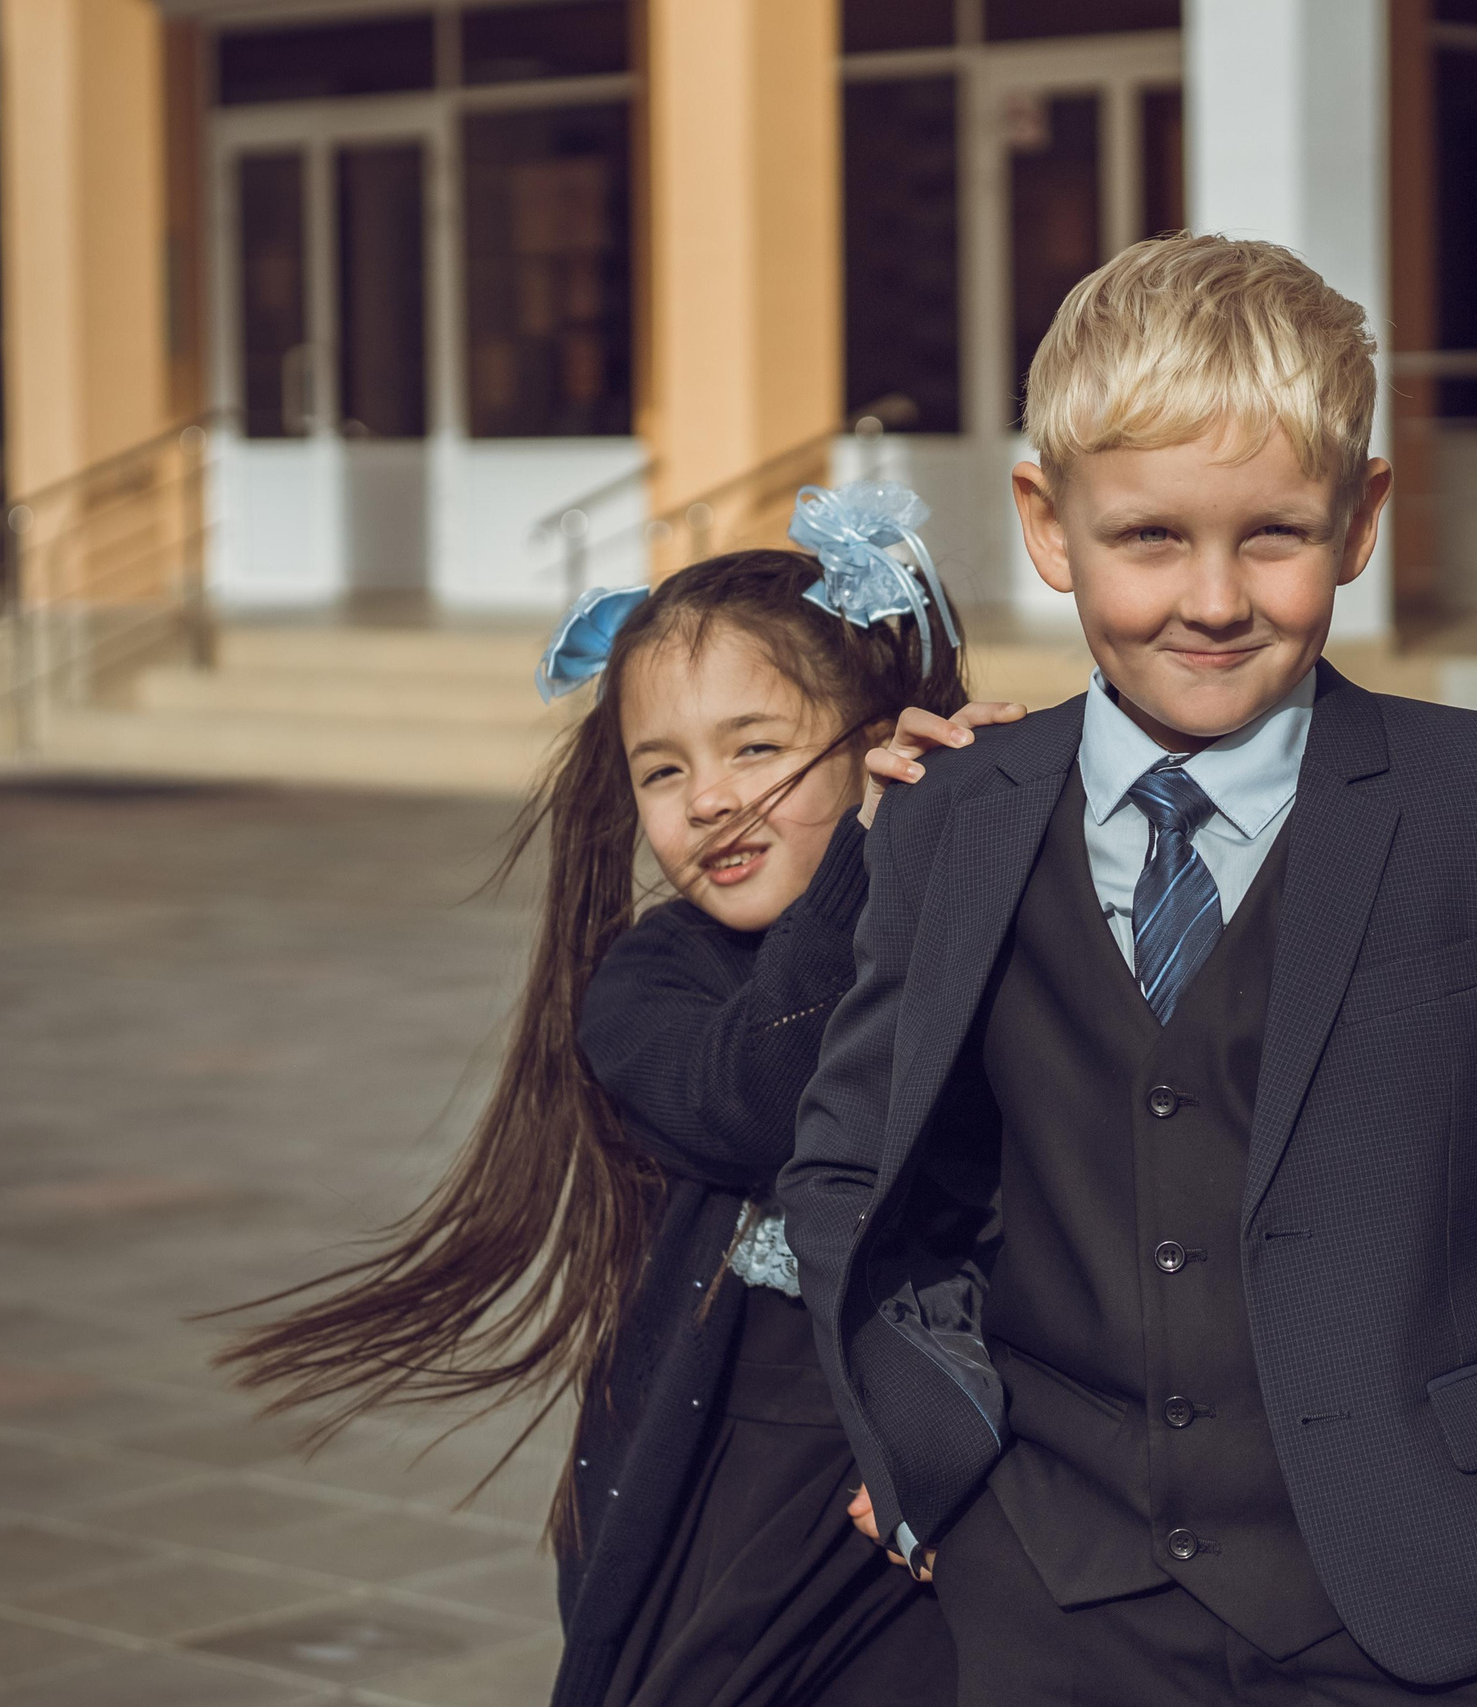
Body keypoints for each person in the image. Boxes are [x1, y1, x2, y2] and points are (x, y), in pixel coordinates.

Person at [779, 236, 1477, 1706]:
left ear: (1361, 519)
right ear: (1048, 526)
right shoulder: (955, 814)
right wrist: (925, 1443)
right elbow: (854, 1170)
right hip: (1049, 1600)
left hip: (1420, 1610)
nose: (1212, 598)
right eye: (1149, 536)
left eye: (1274, 534)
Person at [218, 487, 1020, 1707]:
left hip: (945, 1489)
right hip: (738, 1496)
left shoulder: (981, 934)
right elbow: (762, 1095)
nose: (708, 800)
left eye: (756, 748)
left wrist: (984, 820)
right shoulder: (653, 982)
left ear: (880, 739)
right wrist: (871, 856)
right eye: (663, 769)